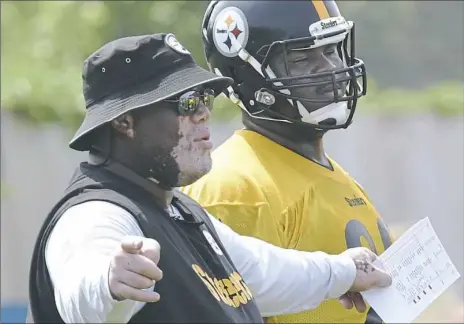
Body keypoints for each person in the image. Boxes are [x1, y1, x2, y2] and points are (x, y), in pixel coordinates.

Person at [27, 33, 391, 324]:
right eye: (186, 103)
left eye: (205, 99)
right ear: (125, 122)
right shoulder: (96, 214)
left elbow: (261, 272)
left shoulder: (178, 209)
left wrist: (345, 271)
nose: (203, 114)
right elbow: (82, 291)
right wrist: (110, 283)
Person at [181, 1, 396, 323]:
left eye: (331, 50)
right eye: (300, 57)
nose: (328, 68)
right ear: (244, 76)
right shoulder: (236, 187)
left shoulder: (326, 170)